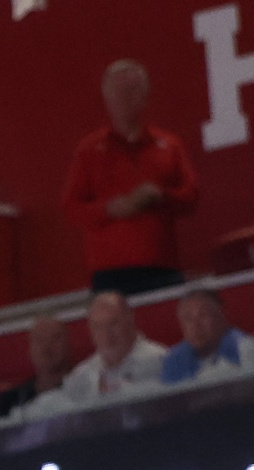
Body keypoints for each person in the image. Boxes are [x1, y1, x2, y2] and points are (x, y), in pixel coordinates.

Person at [62, 60, 199, 295]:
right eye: (118, 91)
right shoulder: (89, 150)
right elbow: (71, 208)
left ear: (146, 95)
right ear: (106, 98)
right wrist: (112, 208)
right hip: (110, 274)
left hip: (162, 266)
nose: (125, 97)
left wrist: (160, 196)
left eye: (132, 90)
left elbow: (192, 196)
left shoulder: (168, 145)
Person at [30, 292, 163, 415]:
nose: (106, 335)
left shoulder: (159, 361)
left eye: (113, 324)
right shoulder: (81, 375)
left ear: (130, 320)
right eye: (98, 327)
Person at [161, 288, 254, 384]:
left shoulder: (244, 348)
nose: (195, 326)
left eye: (203, 316)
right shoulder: (174, 360)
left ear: (221, 315)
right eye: (187, 319)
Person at [0, 317, 74, 416]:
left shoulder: (88, 387)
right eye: (39, 340)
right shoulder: (10, 399)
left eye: (55, 338)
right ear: (30, 349)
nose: (46, 347)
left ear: (68, 344)